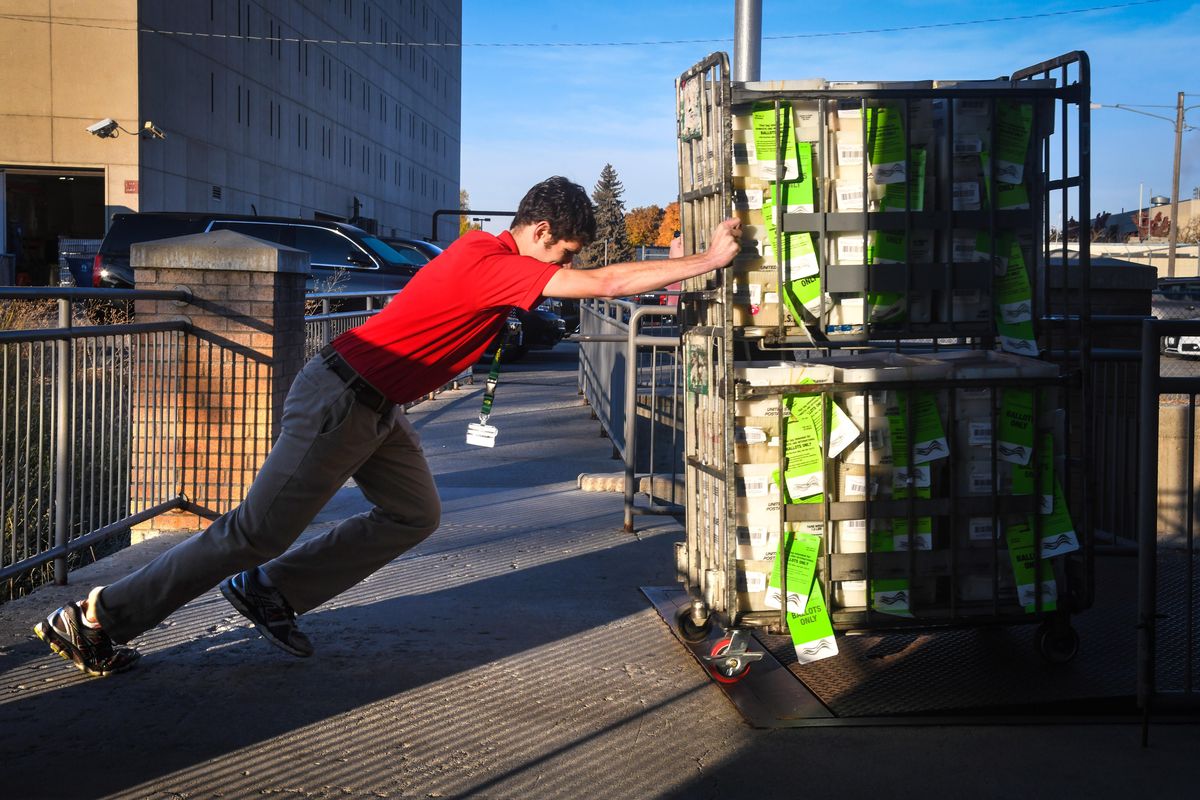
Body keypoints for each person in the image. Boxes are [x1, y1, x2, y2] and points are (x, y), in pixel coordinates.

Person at [34, 176, 742, 676]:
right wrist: (708, 260)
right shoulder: (486, 261)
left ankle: (271, 590)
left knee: (413, 513)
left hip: (377, 408)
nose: (564, 268)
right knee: (254, 531)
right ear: (539, 231)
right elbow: (612, 284)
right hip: (343, 399)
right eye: (562, 253)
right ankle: (95, 618)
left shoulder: (488, 260)